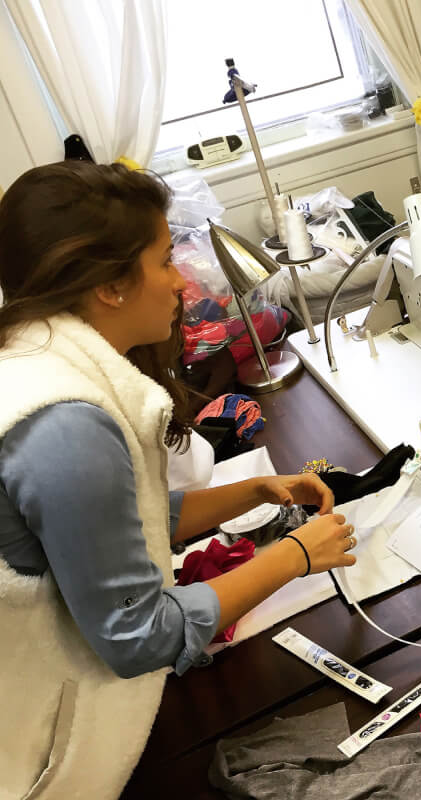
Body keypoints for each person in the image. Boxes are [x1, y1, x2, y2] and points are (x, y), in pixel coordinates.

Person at [0, 161, 357, 799]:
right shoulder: (66, 427)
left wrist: (250, 493)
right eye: (166, 261)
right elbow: (138, 634)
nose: (182, 283)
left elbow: (112, 528)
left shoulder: (33, 356)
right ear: (109, 285)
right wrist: (295, 556)